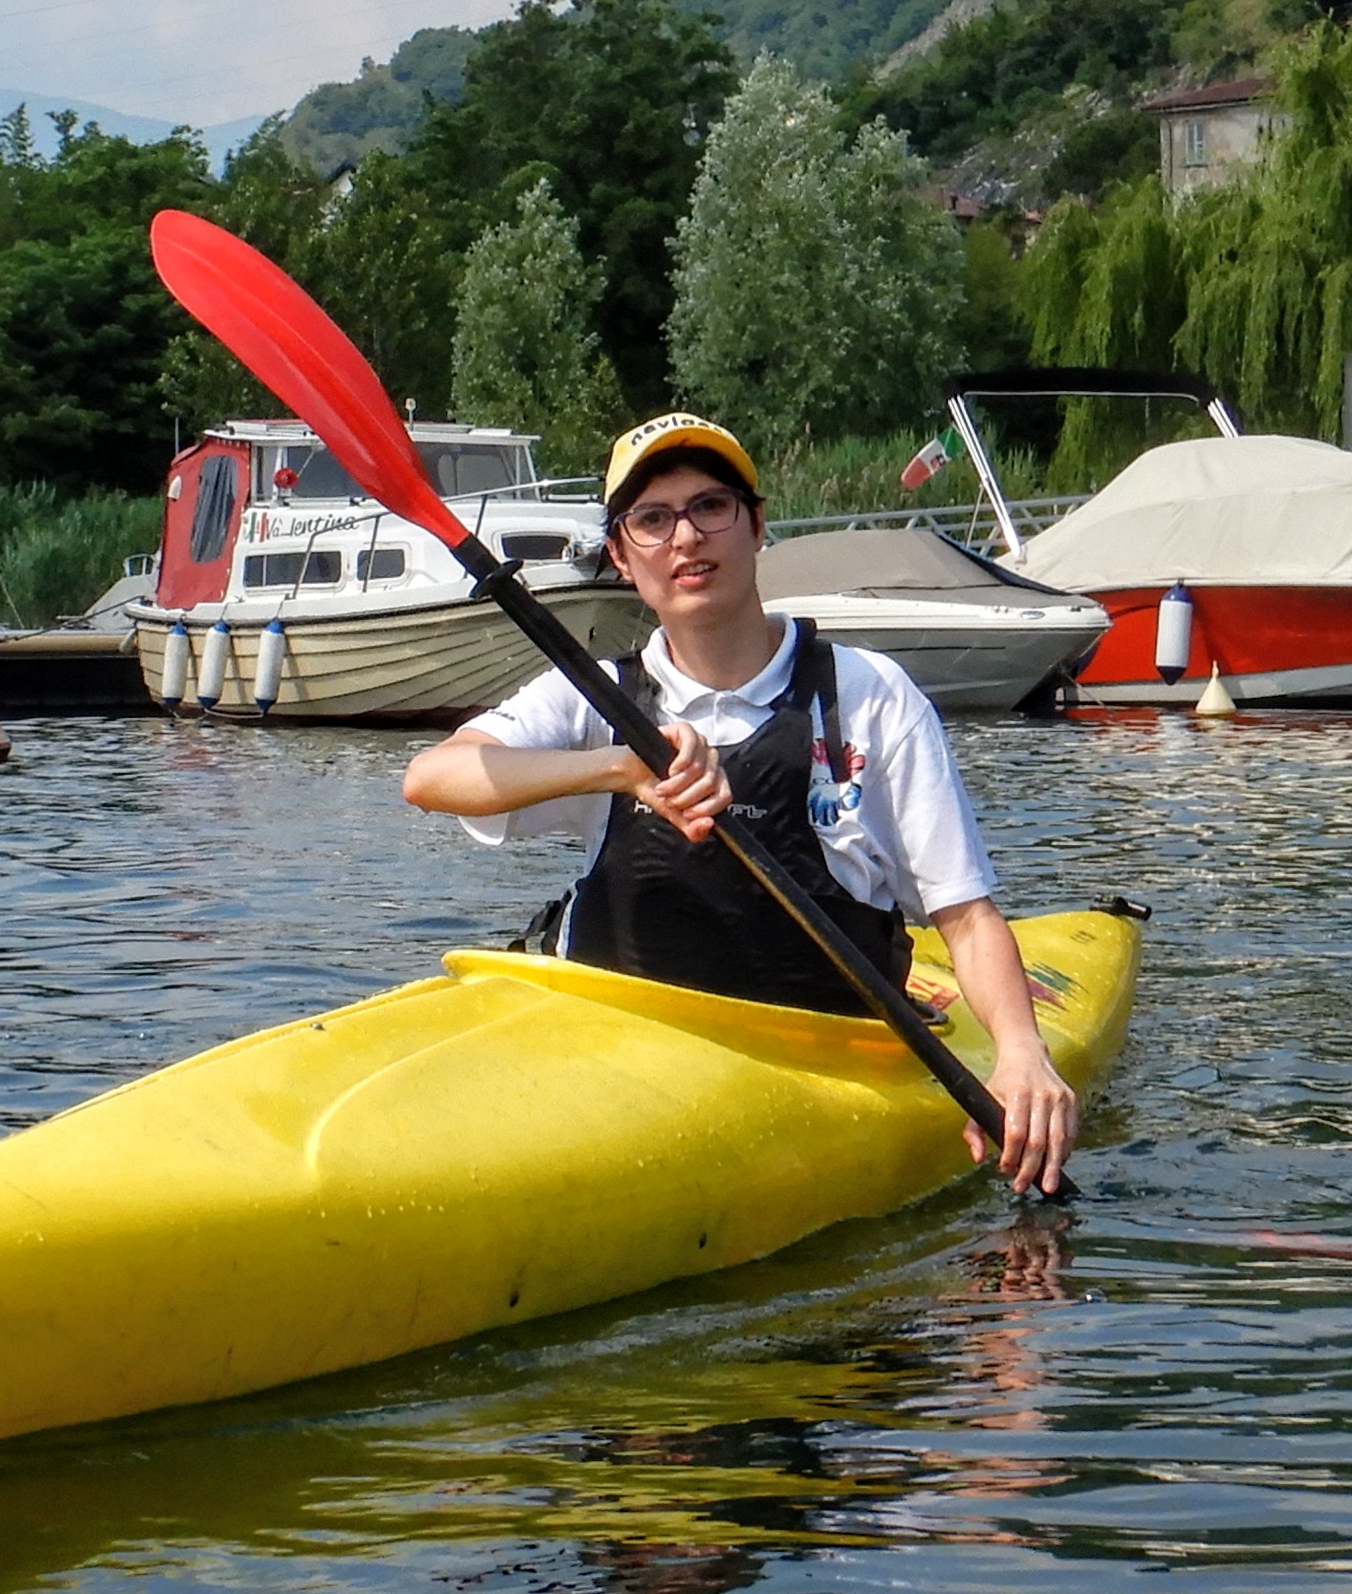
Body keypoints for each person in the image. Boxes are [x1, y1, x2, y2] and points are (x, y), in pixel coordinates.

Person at [402, 411, 1080, 1195]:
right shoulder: (596, 696)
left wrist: (1021, 1055)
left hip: (821, 1053)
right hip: (619, 1049)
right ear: (622, 557)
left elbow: (963, 915)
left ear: (756, 526)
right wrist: (615, 769)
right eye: (651, 519)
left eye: (709, 507)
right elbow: (431, 777)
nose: (685, 538)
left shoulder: (868, 694)